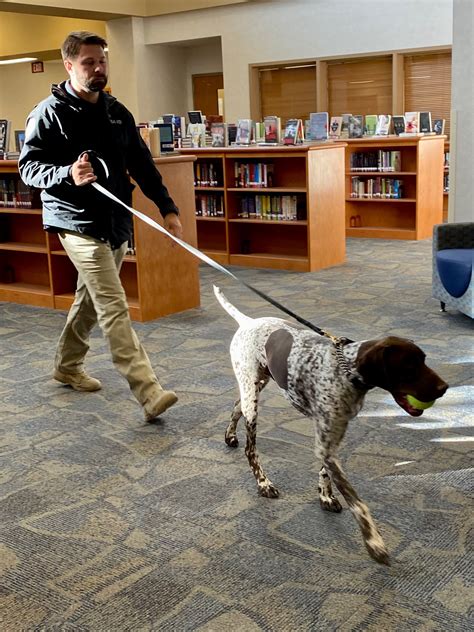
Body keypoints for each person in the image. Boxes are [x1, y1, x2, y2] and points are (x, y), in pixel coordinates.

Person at [19, 31, 183, 422]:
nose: (98, 69)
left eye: (102, 61)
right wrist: (66, 172)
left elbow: (142, 164)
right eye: (89, 62)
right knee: (113, 303)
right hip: (74, 220)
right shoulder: (48, 112)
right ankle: (148, 391)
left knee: (90, 300)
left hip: (115, 220)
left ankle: (66, 365)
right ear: (69, 66)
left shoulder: (115, 110)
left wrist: (168, 210)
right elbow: (29, 168)